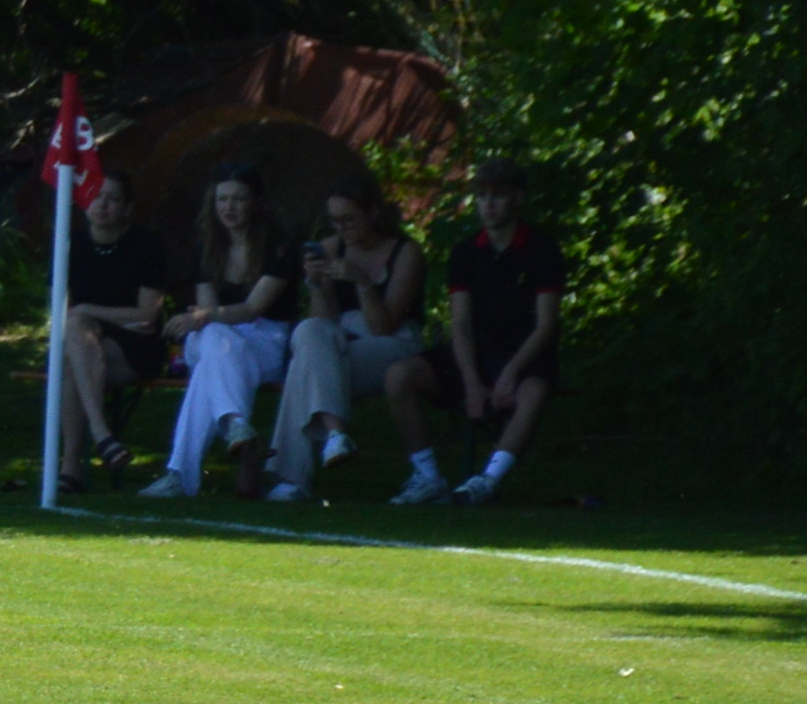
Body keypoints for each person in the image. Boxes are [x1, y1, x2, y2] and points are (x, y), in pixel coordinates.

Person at [388, 158, 562, 504]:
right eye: (481, 196)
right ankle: (427, 476)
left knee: (534, 391)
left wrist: (509, 375)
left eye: (497, 195)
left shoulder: (543, 250)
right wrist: (470, 382)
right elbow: (462, 324)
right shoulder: (465, 252)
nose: (488, 204)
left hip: (522, 354)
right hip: (474, 353)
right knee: (399, 375)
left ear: (518, 197)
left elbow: (546, 325)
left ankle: (487, 480)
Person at [144, 167, 300, 497]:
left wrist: (205, 316)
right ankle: (236, 424)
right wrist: (206, 317)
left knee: (208, 370)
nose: (229, 207)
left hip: (266, 340)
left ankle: (180, 475)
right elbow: (208, 315)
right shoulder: (208, 247)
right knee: (215, 339)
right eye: (222, 199)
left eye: (239, 199)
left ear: (256, 203)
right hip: (218, 339)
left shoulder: (280, 248)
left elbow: (253, 308)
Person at [267, 181, 426, 501]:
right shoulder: (329, 247)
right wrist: (317, 284)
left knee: (304, 368)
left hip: (392, 345)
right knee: (308, 336)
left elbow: (384, 327)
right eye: (335, 221)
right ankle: (336, 435)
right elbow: (321, 322)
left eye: (349, 219)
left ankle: (291, 477)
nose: (342, 228)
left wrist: (362, 281)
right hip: (340, 340)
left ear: (372, 213)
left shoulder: (405, 252)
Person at [54, 168, 177, 488]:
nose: (102, 204)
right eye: (96, 196)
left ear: (127, 208)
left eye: (113, 198)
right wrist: (108, 317)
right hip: (88, 342)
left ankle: (73, 466)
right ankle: (101, 438)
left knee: (73, 358)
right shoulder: (72, 245)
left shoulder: (146, 245)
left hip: (136, 346)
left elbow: (147, 313)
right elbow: (62, 313)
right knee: (75, 342)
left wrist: (88, 311)